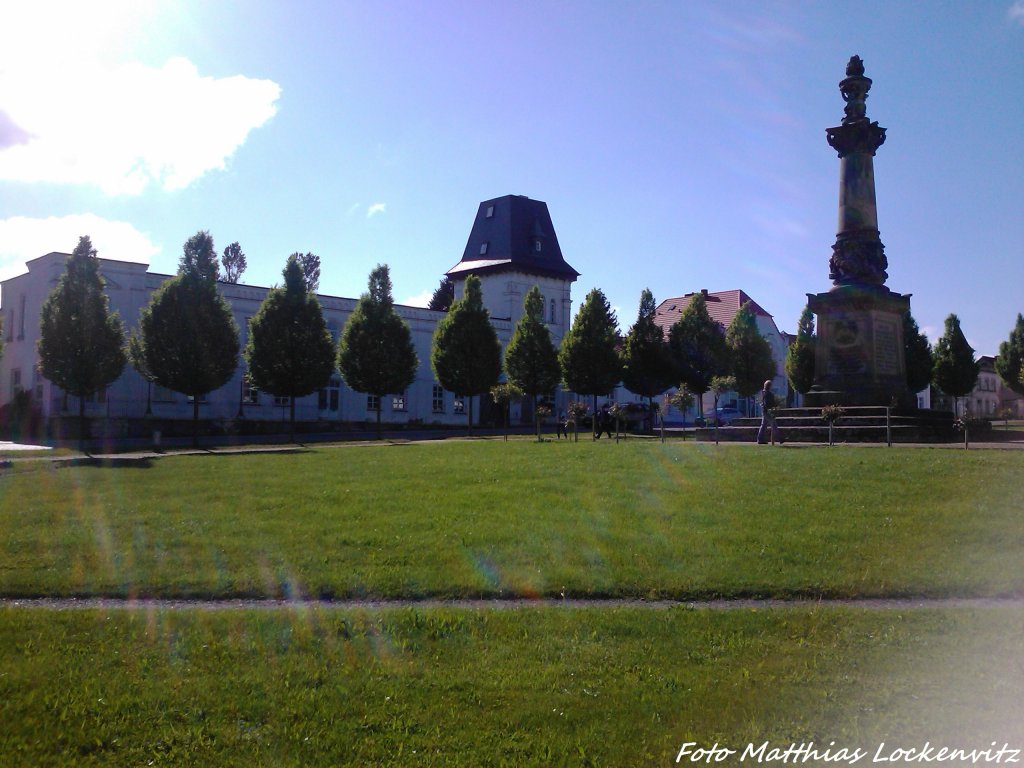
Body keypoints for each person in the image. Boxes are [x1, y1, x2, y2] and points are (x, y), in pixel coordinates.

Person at [756, 379, 781, 444]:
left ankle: (760, 439)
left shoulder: (762, 393)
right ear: (769, 386)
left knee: (763, 425)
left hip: (764, 411)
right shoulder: (769, 394)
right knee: (774, 424)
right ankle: (780, 439)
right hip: (768, 412)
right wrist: (773, 408)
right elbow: (769, 403)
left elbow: (760, 402)